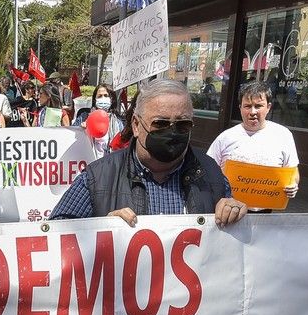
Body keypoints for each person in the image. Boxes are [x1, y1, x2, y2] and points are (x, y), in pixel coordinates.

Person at [49, 79, 248, 227]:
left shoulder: (211, 173)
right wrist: (100, 229)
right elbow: (56, 234)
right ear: (136, 125)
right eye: (160, 123)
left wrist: (234, 213)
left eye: (183, 124)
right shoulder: (98, 177)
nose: (171, 132)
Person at [206, 82, 300, 201]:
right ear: (240, 107)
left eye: (258, 106)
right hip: (229, 212)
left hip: (266, 211)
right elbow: (208, 169)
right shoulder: (225, 138)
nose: (253, 112)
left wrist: (293, 185)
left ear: (268, 107)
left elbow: (293, 171)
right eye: (247, 106)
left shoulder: (283, 135)